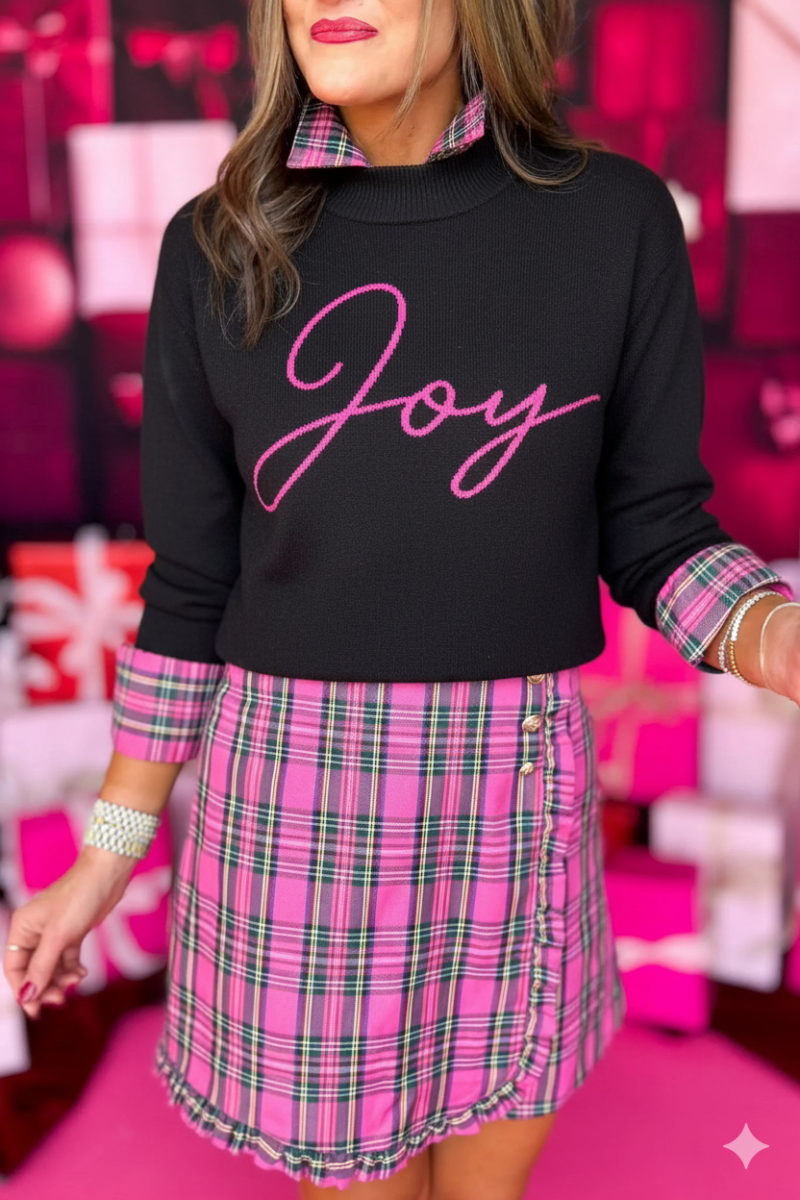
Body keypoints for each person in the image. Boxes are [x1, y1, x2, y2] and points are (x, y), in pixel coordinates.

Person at [5, 1, 800, 1197]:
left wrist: (772, 635)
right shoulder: (217, 244)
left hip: (514, 808)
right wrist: (108, 853)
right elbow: (191, 585)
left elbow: (653, 528)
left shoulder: (612, 220)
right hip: (295, 818)